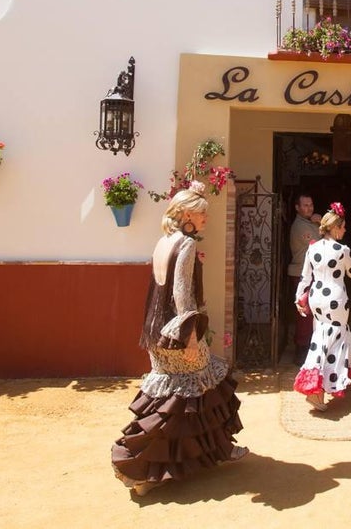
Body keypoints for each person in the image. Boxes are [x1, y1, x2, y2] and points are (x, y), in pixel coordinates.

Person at [110, 182, 246, 497]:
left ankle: (216, 452)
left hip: (156, 330)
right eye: (202, 215)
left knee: (186, 396)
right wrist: (190, 336)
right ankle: (137, 464)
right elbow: (181, 292)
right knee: (196, 393)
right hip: (177, 332)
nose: (205, 221)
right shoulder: (184, 243)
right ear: (186, 213)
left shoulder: (163, 241)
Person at [293, 202, 351, 412]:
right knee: (333, 341)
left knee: (321, 337)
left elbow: (305, 277)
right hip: (336, 300)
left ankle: (320, 386)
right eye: (343, 226)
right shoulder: (342, 250)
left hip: (316, 298)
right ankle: (320, 388)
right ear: (335, 227)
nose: (345, 230)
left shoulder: (313, 248)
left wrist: (298, 298)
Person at [286, 192, 322, 364]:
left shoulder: (307, 223)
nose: (309, 208)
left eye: (311, 205)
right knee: (305, 314)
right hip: (303, 275)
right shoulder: (300, 226)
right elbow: (321, 244)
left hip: (309, 273)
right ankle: (301, 351)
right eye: (305, 205)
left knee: (309, 314)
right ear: (297, 208)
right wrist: (322, 223)